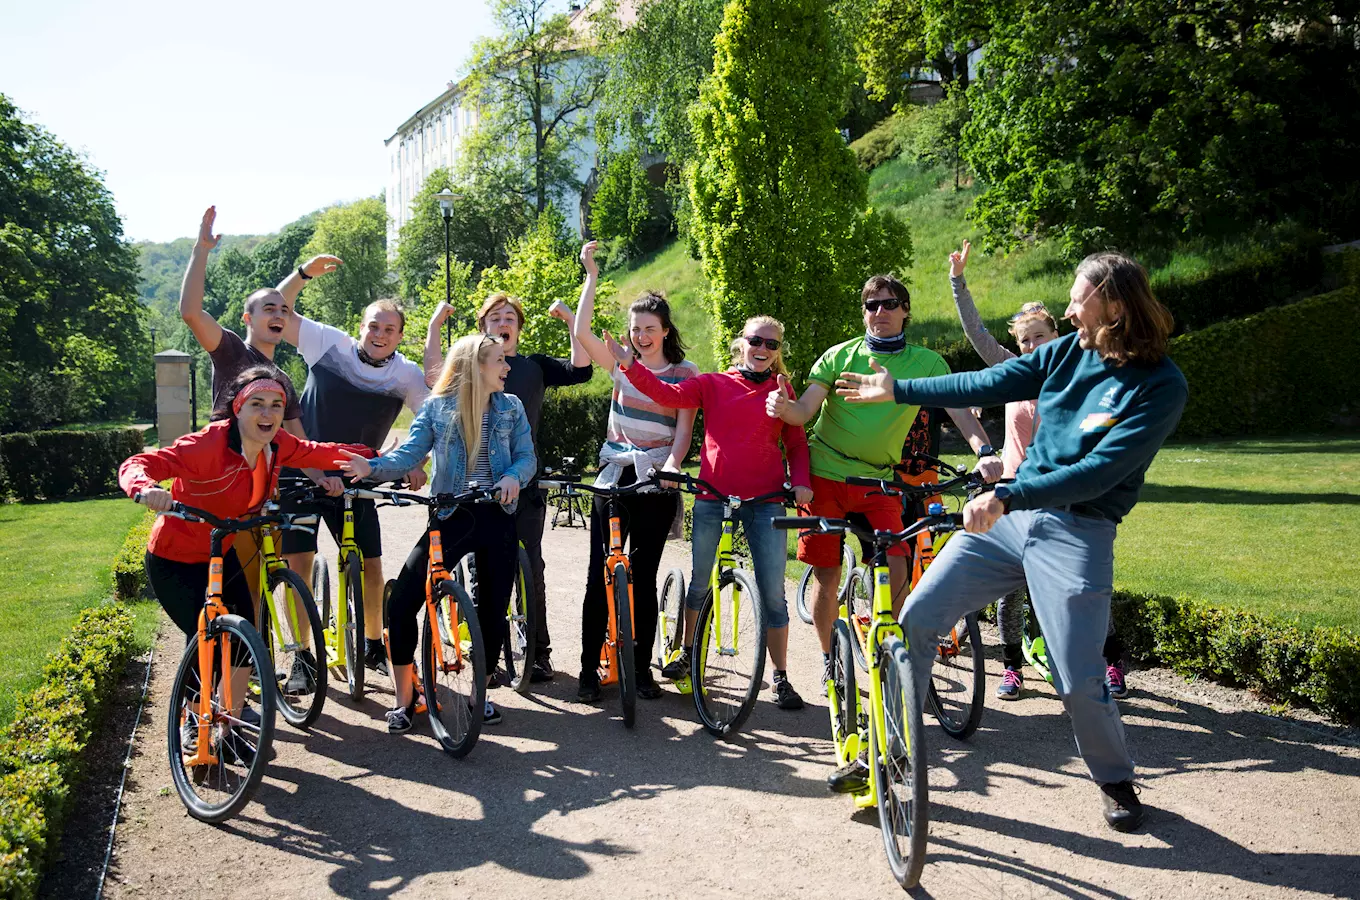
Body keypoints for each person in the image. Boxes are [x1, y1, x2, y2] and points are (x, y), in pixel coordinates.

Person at [836, 251, 1187, 832]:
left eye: (1080, 298)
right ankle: (889, 752)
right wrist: (898, 390)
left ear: (1116, 306)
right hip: (1012, 520)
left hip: (1077, 531)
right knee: (919, 616)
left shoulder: (1159, 386)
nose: (1070, 309)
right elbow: (988, 380)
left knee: (1077, 676)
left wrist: (1007, 497)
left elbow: (1100, 472)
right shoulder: (1067, 352)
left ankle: (1115, 779)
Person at [765, 273, 1003, 790]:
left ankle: (891, 643)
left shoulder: (927, 363)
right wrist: (788, 410)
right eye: (871, 305)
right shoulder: (839, 355)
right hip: (827, 474)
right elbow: (808, 409)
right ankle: (833, 661)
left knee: (899, 557)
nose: (879, 312)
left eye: (890, 304)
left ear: (905, 311)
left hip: (878, 481)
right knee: (827, 579)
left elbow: (959, 409)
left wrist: (985, 451)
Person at [118, 367, 372, 760]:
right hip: (175, 559)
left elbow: (321, 451)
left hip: (223, 552)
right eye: (257, 404)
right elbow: (141, 462)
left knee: (242, 637)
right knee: (205, 637)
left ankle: (228, 724)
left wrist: (383, 460)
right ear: (237, 408)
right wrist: (145, 488)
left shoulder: (278, 444)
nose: (267, 413)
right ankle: (192, 721)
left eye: (275, 405)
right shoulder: (205, 446)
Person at [601, 315, 814, 710]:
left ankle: (780, 677)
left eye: (771, 344)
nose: (763, 349)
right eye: (756, 341)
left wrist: (800, 480)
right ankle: (686, 652)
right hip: (713, 496)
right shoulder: (713, 383)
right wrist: (630, 365)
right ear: (742, 343)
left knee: (773, 594)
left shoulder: (782, 390)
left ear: (778, 351)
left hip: (766, 500)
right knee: (701, 582)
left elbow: (797, 444)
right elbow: (666, 394)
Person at [949, 240, 1131, 701]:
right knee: (1012, 590)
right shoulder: (1014, 371)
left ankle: (1110, 661)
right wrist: (958, 282)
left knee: (1080, 585)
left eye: (1039, 337)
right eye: (1024, 339)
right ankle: (1013, 667)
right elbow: (976, 335)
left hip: (1064, 496)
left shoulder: (1079, 374)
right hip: (1011, 492)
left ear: (1058, 335)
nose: (1031, 345)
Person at [337, 334, 536, 732]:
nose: (507, 367)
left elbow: (526, 456)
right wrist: (371, 467)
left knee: (493, 609)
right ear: (476, 366)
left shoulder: (510, 408)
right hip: (450, 516)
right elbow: (408, 454)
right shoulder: (437, 409)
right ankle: (405, 700)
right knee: (402, 602)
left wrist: (514, 476)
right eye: (499, 360)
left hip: (497, 514)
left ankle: (480, 697)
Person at [177, 206, 345, 666]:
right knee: (241, 591)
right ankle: (237, 674)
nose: (279, 314)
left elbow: (298, 439)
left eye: (284, 310)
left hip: (263, 489)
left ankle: (278, 667)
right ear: (248, 318)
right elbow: (190, 311)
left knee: (272, 581)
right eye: (268, 309)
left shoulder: (282, 381)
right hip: (223, 483)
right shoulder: (231, 349)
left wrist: (322, 475)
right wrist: (201, 250)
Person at [423, 250, 593, 683]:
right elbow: (433, 377)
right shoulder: (470, 369)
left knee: (529, 566)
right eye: (495, 316)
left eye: (510, 317)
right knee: (483, 574)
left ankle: (538, 652)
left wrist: (570, 318)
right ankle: (491, 655)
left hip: (524, 483)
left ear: (518, 326)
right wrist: (434, 328)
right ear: (483, 328)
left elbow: (580, 368)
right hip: (474, 490)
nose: (503, 322)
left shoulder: (534, 366)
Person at [273, 293, 431, 678]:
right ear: (360, 326)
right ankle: (302, 658)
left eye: (389, 329)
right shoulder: (329, 342)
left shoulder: (406, 375)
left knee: (371, 566)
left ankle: (373, 645)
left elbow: (433, 421)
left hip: (358, 473)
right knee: (299, 566)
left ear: (399, 337)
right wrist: (305, 278)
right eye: (373, 326)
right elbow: (277, 312)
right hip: (302, 471)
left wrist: (415, 462)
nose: (379, 334)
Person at [573, 288, 697, 703]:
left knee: (643, 579)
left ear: (665, 331)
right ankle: (588, 671)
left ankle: (642, 671)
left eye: (650, 328)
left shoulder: (685, 372)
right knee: (599, 577)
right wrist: (590, 276)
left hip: (657, 479)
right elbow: (581, 330)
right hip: (615, 478)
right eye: (636, 328)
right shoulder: (620, 364)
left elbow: (683, 431)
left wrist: (674, 467)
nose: (642, 336)